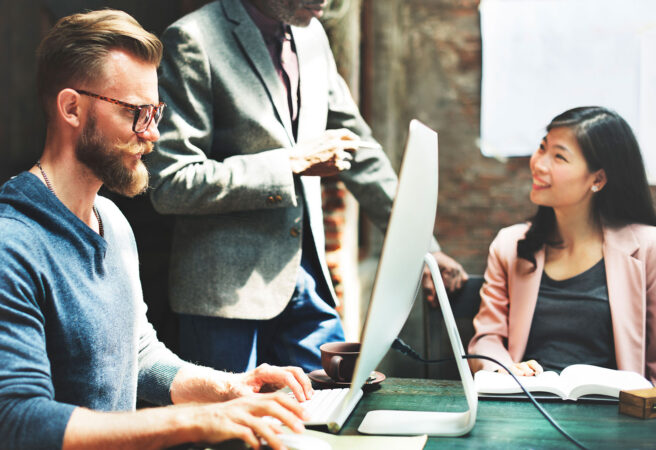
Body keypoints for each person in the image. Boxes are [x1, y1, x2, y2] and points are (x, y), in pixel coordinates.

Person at [0, 10, 315, 450]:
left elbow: (138, 357)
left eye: (155, 112)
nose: (153, 134)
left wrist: (232, 388)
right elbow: (18, 425)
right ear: (71, 107)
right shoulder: (0, 245)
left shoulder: (112, 222)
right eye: (137, 113)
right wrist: (201, 420)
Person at [147, 0, 467, 374]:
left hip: (308, 284)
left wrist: (422, 247)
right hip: (224, 303)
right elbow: (170, 181)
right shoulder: (193, 39)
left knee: (336, 414)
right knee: (234, 430)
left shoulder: (312, 36)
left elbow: (360, 151)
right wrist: (290, 164)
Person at [468, 106, 656, 384]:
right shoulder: (510, 245)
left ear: (598, 179)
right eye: (542, 148)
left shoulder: (647, 248)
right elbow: (487, 337)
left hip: (616, 415)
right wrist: (504, 371)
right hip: (528, 405)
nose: (538, 164)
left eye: (559, 157)